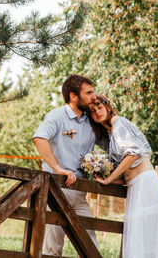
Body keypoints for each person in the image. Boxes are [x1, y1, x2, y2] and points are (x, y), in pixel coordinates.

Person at [88, 95, 158, 258]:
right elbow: (126, 170)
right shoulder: (110, 134)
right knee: (138, 237)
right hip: (134, 186)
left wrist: (108, 179)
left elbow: (132, 155)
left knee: (148, 235)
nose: (97, 112)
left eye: (99, 107)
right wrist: (111, 180)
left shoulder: (118, 123)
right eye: (93, 111)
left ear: (108, 107)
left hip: (145, 183)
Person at [32, 74, 98, 256]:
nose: (94, 96)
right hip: (56, 190)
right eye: (89, 92)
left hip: (80, 191)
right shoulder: (57, 116)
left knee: (90, 246)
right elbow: (39, 139)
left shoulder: (90, 121)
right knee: (53, 247)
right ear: (74, 96)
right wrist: (58, 169)